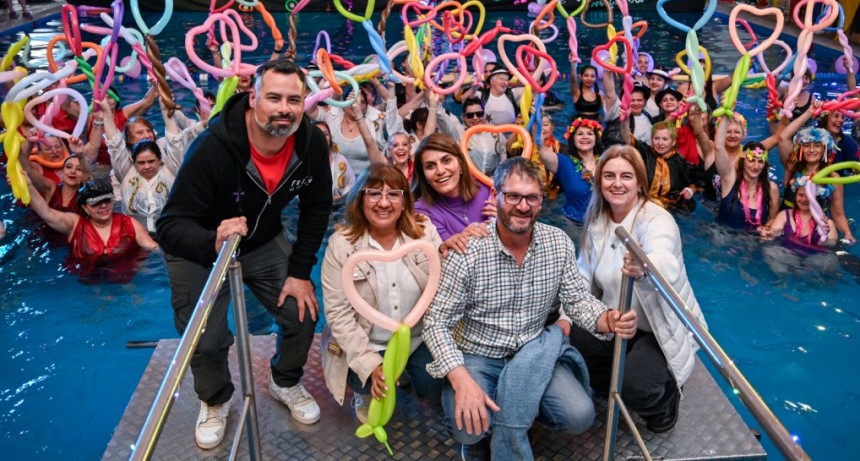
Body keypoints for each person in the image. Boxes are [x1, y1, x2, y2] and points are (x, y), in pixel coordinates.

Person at [156, 59, 333, 449]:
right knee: (207, 338)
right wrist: (211, 241)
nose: (284, 108)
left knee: (301, 314)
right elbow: (169, 226)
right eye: (273, 97)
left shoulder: (310, 143)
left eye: (293, 99)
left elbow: (317, 208)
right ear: (252, 98)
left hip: (263, 241)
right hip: (200, 251)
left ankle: (284, 381)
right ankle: (215, 399)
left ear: (304, 103)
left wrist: (301, 271)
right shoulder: (213, 149)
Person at [422, 157, 638, 460]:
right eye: (512, 196)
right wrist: (461, 380)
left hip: (532, 350)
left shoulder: (558, 243)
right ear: (495, 196)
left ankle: (515, 419)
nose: (523, 206)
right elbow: (436, 323)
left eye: (532, 198)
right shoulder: (467, 251)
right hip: (477, 354)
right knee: (468, 428)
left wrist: (607, 319)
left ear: (541, 201)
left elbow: (577, 300)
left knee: (579, 415)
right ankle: (487, 433)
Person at [569, 145, 707, 434]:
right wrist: (568, 318)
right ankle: (613, 383)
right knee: (571, 343)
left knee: (637, 387)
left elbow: (664, 258)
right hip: (617, 322)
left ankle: (664, 405)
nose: (617, 183)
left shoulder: (657, 219)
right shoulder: (598, 220)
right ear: (599, 181)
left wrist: (645, 269)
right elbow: (581, 277)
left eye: (626, 176)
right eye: (609, 176)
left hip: (657, 327)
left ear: (639, 182)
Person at [320, 164, 444, 423]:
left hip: (418, 339)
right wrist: (371, 365)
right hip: (368, 341)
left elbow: (444, 287)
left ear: (404, 201)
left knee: (434, 388)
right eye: (374, 193)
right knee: (365, 378)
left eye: (393, 194)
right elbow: (338, 314)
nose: (384, 203)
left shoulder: (424, 232)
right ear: (360, 199)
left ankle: (408, 373)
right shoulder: (341, 246)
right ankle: (364, 390)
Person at [26, 177, 157, 257]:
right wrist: (28, 186)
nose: (104, 206)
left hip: (126, 281)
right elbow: (46, 213)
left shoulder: (129, 223)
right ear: (85, 207)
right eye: (96, 203)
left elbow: (153, 248)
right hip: (86, 287)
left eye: (107, 200)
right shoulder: (75, 224)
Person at [413, 133, 496, 252]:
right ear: (423, 175)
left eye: (446, 161)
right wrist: (464, 237)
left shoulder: (485, 187)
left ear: (461, 164)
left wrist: (507, 219)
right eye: (430, 166)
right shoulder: (422, 211)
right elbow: (443, 250)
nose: (440, 171)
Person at [713, 115, 780, 230]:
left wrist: (767, 229)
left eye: (760, 162)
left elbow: (772, 220)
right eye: (751, 160)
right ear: (743, 161)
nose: (756, 166)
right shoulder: (730, 180)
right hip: (722, 238)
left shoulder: (771, 189)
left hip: (753, 242)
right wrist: (725, 115)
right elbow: (719, 147)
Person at [539, 117, 602, 239]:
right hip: (574, 225)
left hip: (601, 223)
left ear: (596, 138)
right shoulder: (564, 163)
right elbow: (542, 152)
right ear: (573, 138)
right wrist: (538, 118)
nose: (585, 137)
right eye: (580, 134)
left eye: (589, 133)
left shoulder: (605, 164)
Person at [435, 96, 508, 177]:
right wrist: (433, 101)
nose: (475, 118)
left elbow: (503, 159)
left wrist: (498, 179)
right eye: (470, 115)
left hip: (491, 182)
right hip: (468, 182)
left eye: (479, 114)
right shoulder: (458, 131)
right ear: (463, 117)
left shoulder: (495, 133)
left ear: (484, 114)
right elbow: (441, 116)